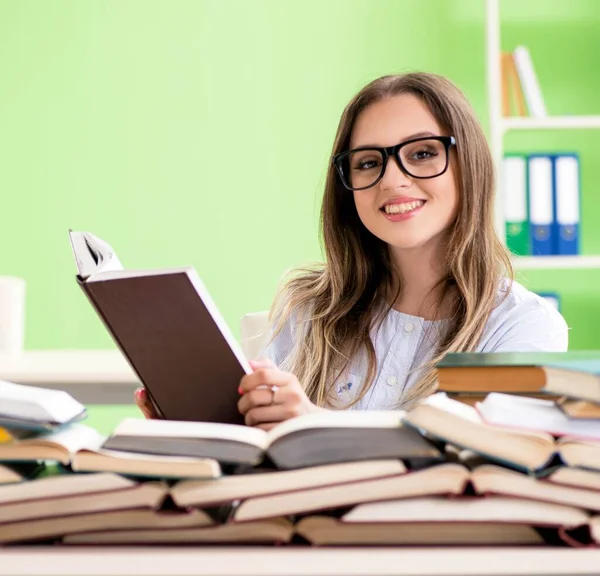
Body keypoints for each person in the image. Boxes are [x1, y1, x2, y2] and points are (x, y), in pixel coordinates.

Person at [136, 72, 569, 429]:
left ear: (468, 163)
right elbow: (260, 451)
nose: (393, 179)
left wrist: (311, 422)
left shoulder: (525, 326)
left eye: (421, 153)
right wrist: (199, 425)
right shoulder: (307, 309)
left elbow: (470, 464)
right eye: (368, 162)